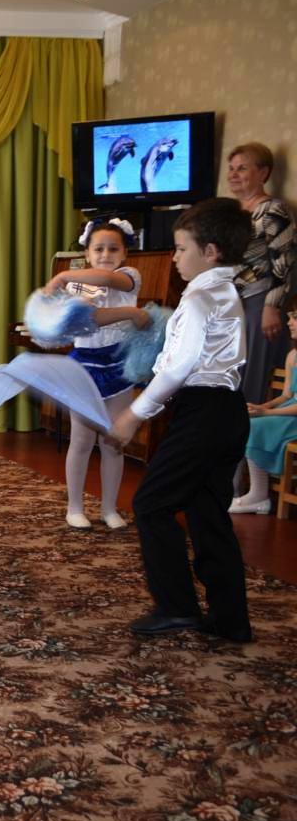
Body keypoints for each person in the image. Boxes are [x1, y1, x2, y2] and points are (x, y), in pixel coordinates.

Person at [109, 197, 253, 643]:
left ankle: (176, 607)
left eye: (181, 248)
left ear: (210, 252)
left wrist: (134, 414)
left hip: (203, 414)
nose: (174, 258)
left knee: (151, 505)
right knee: (207, 513)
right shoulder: (225, 292)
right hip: (226, 412)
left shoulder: (200, 298)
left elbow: (179, 368)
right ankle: (231, 620)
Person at [42, 217, 144, 530]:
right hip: (84, 367)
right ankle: (74, 507)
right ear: (87, 253)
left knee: (113, 441)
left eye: (113, 249)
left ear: (125, 253)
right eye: (98, 249)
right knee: (82, 439)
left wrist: (62, 275)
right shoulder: (77, 286)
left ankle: (109, 508)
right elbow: (85, 319)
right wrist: (129, 312)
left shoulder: (130, 276)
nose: (105, 255)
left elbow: (106, 279)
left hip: (118, 366)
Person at [225, 142, 295, 404]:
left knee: (252, 375)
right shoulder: (230, 211)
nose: (233, 174)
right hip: (231, 301)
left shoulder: (273, 209)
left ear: (263, 173)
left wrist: (271, 307)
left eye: (242, 168)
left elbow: (284, 261)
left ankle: (249, 425)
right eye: (231, 168)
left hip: (259, 301)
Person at [230, 298, 297, 514]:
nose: (289, 322)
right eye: (289, 317)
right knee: (247, 419)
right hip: (288, 411)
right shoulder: (292, 356)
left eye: (295, 317)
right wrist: (261, 407)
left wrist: (268, 412)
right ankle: (249, 493)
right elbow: (287, 395)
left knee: (257, 426)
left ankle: (258, 495)